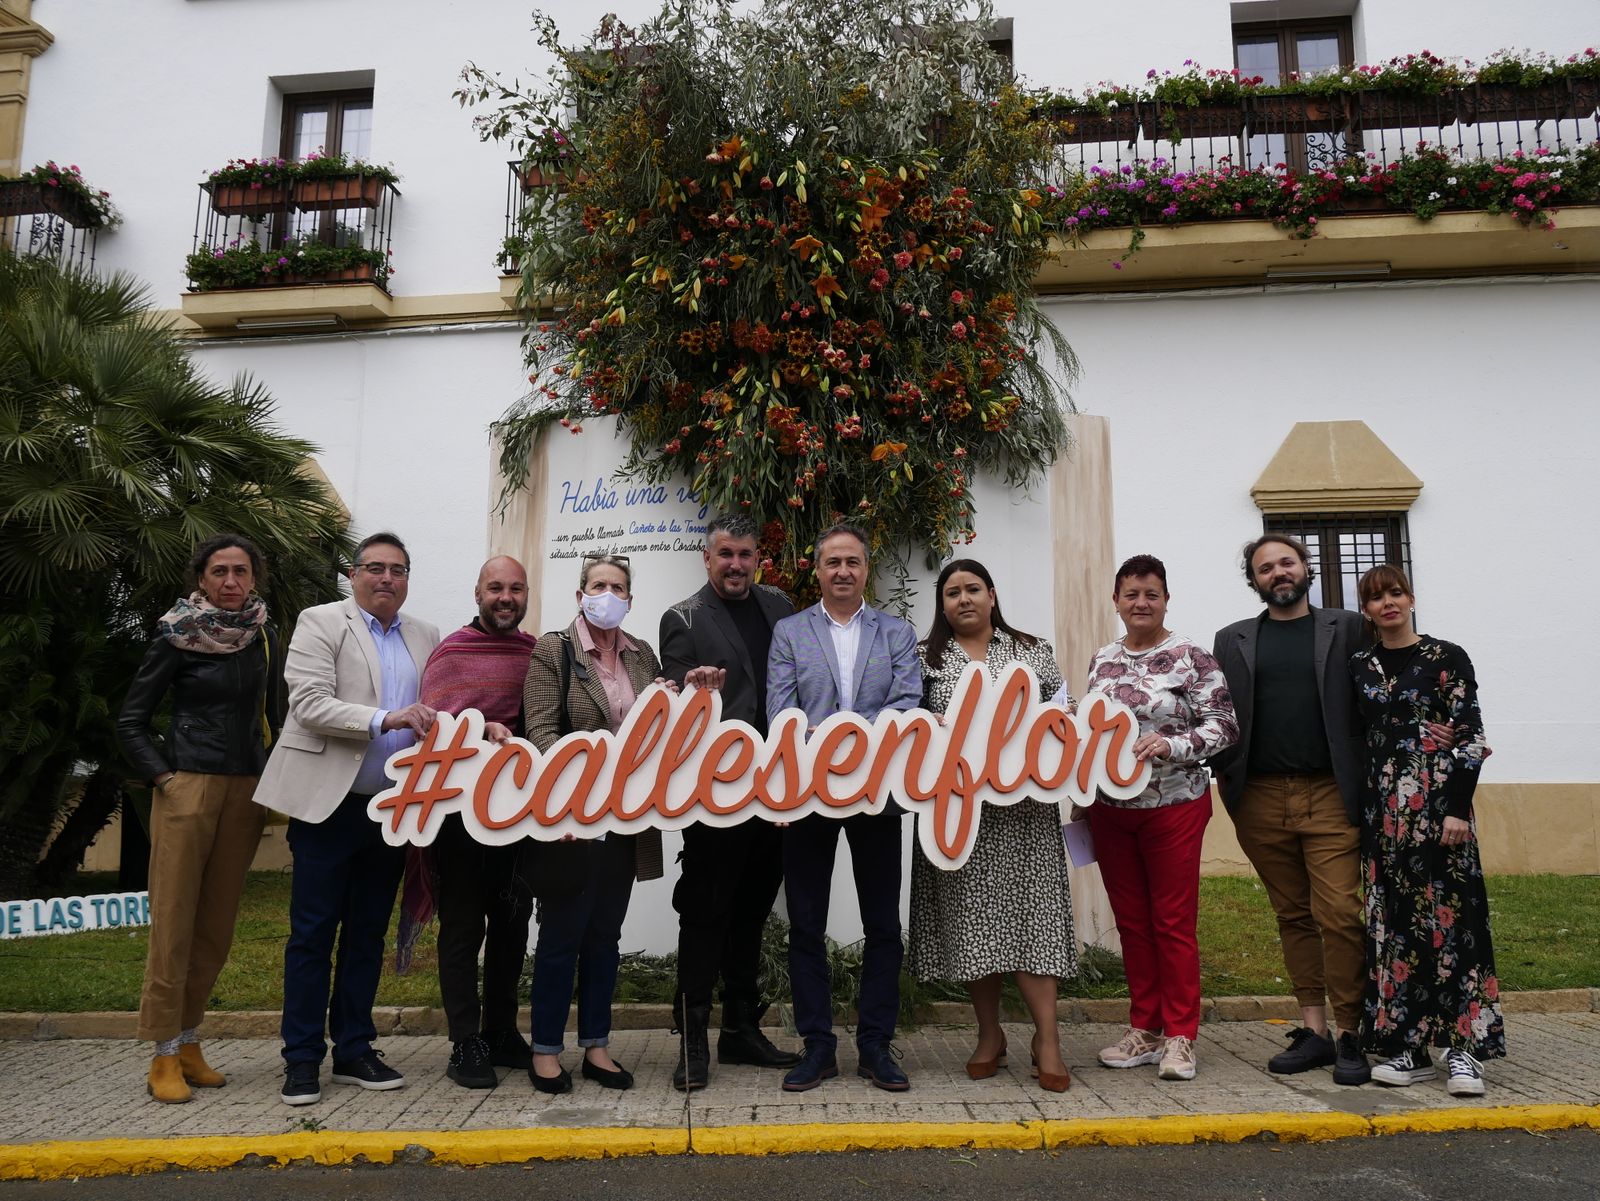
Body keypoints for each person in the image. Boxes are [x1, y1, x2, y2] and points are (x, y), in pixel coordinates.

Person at [254, 532, 440, 1106]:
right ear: (354, 574)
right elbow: (307, 705)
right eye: (375, 568)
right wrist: (388, 718)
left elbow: (439, 712)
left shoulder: (425, 635)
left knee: (367, 935)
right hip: (327, 805)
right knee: (312, 934)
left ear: (408, 579)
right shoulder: (320, 621)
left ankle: (355, 1047)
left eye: (398, 570)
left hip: (390, 811)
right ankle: (302, 1058)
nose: (387, 579)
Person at [116, 533, 286, 1104]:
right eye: (220, 571)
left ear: (254, 578)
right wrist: (165, 778)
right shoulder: (177, 634)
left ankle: (190, 1043)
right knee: (173, 923)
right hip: (188, 785)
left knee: (215, 927)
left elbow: (275, 714)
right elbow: (131, 720)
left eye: (241, 571)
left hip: (246, 790)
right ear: (202, 579)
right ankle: (161, 1053)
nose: (231, 581)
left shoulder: (262, 635)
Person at [907, 558, 1077, 1093]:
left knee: (1033, 920)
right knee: (975, 925)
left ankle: (1046, 1039)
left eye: (973, 589)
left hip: (1026, 813)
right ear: (942, 605)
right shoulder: (924, 660)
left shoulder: (1032, 651)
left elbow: (1063, 717)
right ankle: (989, 1035)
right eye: (952, 592)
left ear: (992, 594)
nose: (963, 600)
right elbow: (905, 725)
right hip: (960, 812)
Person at [1209, 534, 1371, 1085]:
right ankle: (1315, 1032)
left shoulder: (1348, 628)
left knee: (1340, 915)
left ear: (1305, 568)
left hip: (1329, 791)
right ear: (1253, 580)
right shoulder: (1232, 639)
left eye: (1286, 563)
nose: (1278, 573)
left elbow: (1381, 689)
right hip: (1259, 796)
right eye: (1265, 568)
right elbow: (1219, 710)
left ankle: (1352, 1033)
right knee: (1293, 915)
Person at [767, 523, 923, 1093]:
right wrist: (831, 749)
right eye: (832, 561)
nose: (842, 571)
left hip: (878, 795)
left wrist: (848, 739)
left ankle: (876, 1045)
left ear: (866, 568)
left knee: (883, 922)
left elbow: (908, 703)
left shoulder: (897, 633)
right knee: (805, 922)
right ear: (817, 569)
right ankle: (818, 1046)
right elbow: (780, 710)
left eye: (852, 562)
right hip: (807, 794)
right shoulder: (789, 631)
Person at [659, 515, 801, 1091]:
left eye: (745, 554)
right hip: (715, 793)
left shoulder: (783, 607)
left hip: (778, 790)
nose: (736, 564)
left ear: (757, 558)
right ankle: (691, 1038)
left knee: (752, 911)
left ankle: (740, 1028)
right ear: (706, 557)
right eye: (725, 554)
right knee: (705, 913)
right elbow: (670, 698)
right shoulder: (683, 617)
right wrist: (693, 688)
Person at [522, 552, 673, 1094]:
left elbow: (658, 731)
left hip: (628, 819)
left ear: (629, 599)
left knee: (605, 937)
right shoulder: (553, 651)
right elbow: (539, 733)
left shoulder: (643, 656)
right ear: (580, 593)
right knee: (562, 936)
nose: (607, 593)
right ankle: (544, 1050)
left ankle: (597, 1047)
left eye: (617, 586)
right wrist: (579, 786)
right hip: (573, 817)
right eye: (597, 584)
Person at [1085, 555, 1238, 1082]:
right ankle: (1144, 1029)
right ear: (1117, 602)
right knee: (1132, 923)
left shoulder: (1192, 656)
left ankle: (1180, 1035)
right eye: (1131, 595)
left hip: (1174, 805)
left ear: (1165, 598)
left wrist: (1172, 744)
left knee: (1172, 922)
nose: (1141, 603)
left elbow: (1224, 727)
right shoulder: (1102, 660)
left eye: (1150, 594)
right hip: (1110, 811)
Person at [1350, 564, 1500, 1097]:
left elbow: (1469, 736)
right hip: (1384, 816)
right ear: (1366, 610)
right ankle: (1407, 1045)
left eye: (1395, 593)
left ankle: (1463, 1051)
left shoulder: (1447, 657)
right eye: (1375, 598)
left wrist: (1458, 808)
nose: (1387, 603)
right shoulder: (1361, 665)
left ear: (1410, 599)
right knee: (1396, 927)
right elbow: (1358, 734)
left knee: (1452, 923)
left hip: (1441, 811)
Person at [415, 556, 538, 1090]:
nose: (505, 597)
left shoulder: (536, 653)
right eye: (495, 588)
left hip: (519, 813)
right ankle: (465, 1041)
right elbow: (432, 726)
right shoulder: (452, 653)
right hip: (459, 816)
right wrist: (473, 729)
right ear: (478, 593)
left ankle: (503, 1030)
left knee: (513, 923)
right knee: (464, 929)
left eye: (514, 588)